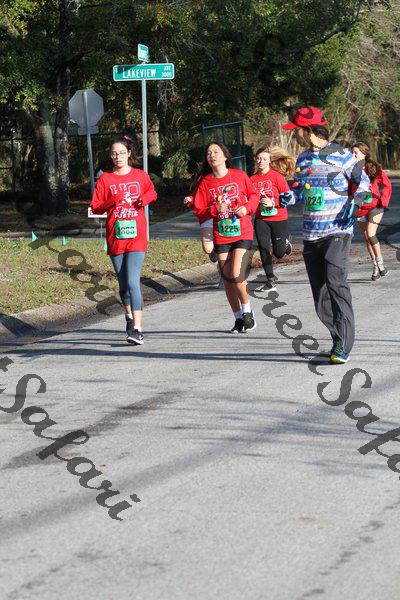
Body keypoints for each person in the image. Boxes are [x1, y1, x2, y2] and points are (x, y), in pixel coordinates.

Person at [282, 106, 370, 364]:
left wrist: (356, 202)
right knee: (320, 295)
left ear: (308, 130)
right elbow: (299, 190)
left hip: (337, 230)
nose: (294, 135)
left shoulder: (341, 154)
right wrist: (290, 196)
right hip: (311, 233)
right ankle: (337, 337)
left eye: (296, 131)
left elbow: (363, 182)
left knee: (336, 284)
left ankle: (344, 343)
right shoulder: (303, 159)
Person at [90, 136, 157, 345]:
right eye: (114, 153)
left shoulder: (140, 175)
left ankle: (137, 329)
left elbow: (152, 192)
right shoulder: (105, 179)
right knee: (123, 284)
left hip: (137, 237)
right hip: (116, 236)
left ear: (129, 153)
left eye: (121, 153)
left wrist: (143, 200)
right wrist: (112, 201)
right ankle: (129, 317)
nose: (117, 156)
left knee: (132, 281)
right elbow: (95, 206)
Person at [193, 142, 260, 333]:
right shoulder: (205, 183)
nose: (212, 155)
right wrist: (215, 209)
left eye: (216, 152)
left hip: (242, 231)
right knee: (228, 279)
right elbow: (199, 210)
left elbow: (254, 195)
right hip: (222, 235)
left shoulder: (239, 175)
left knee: (237, 274)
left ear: (225, 156)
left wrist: (246, 208)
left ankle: (248, 312)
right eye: (209, 153)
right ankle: (238, 318)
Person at [251, 146, 296, 292]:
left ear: (270, 161)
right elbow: (249, 199)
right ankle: (270, 280)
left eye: (264, 159)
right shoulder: (252, 179)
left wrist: (273, 202)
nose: (261, 161)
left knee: (279, 253)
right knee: (263, 248)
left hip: (278, 217)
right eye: (258, 159)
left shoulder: (277, 177)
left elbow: (289, 198)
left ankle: (285, 243)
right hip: (261, 219)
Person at [352, 142, 392, 280]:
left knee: (371, 233)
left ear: (364, 154)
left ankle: (381, 264)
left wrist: (383, 201)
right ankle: (376, 266)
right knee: (367, 238)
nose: (353, 155)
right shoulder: (350, 169)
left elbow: (387, 185)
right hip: (360, 209)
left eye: (356, 152)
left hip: (375, 207)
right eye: (352, 152)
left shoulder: (374, 167)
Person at [183, 189, 218, 263]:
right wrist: (191, 199)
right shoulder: (202, 182)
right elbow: (198, 195)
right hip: (207, 215)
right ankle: (213, 251)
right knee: (208, 248)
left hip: (223, 215)